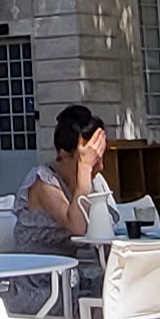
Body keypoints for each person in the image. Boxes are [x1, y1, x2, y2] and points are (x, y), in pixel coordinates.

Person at [14, 105, 114, 255]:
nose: (100, 167)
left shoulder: (95, 181)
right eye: (92, 159)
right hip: (42, 267)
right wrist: (85, 167)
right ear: (64, 155)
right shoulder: (44, 182)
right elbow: (78, 228)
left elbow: (111, 227)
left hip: (80, 265)